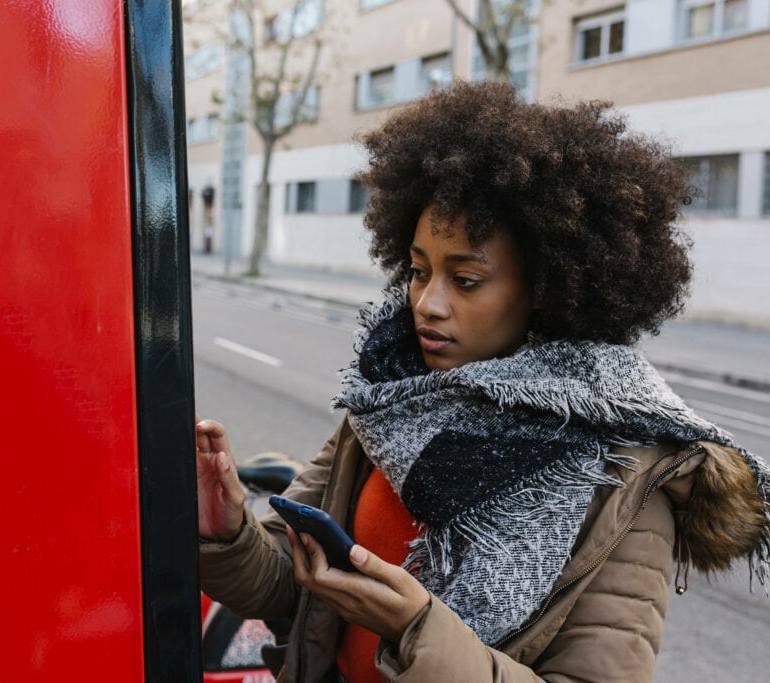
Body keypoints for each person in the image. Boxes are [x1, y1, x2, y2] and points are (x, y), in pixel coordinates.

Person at [195, 81, 770, 682]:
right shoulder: (389, 404)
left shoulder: (624, 473)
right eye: (418, 271)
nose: (428, 304)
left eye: (465, 280)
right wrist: (226, 531)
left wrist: (418, 631)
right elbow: (293, 591)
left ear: (546, 292)